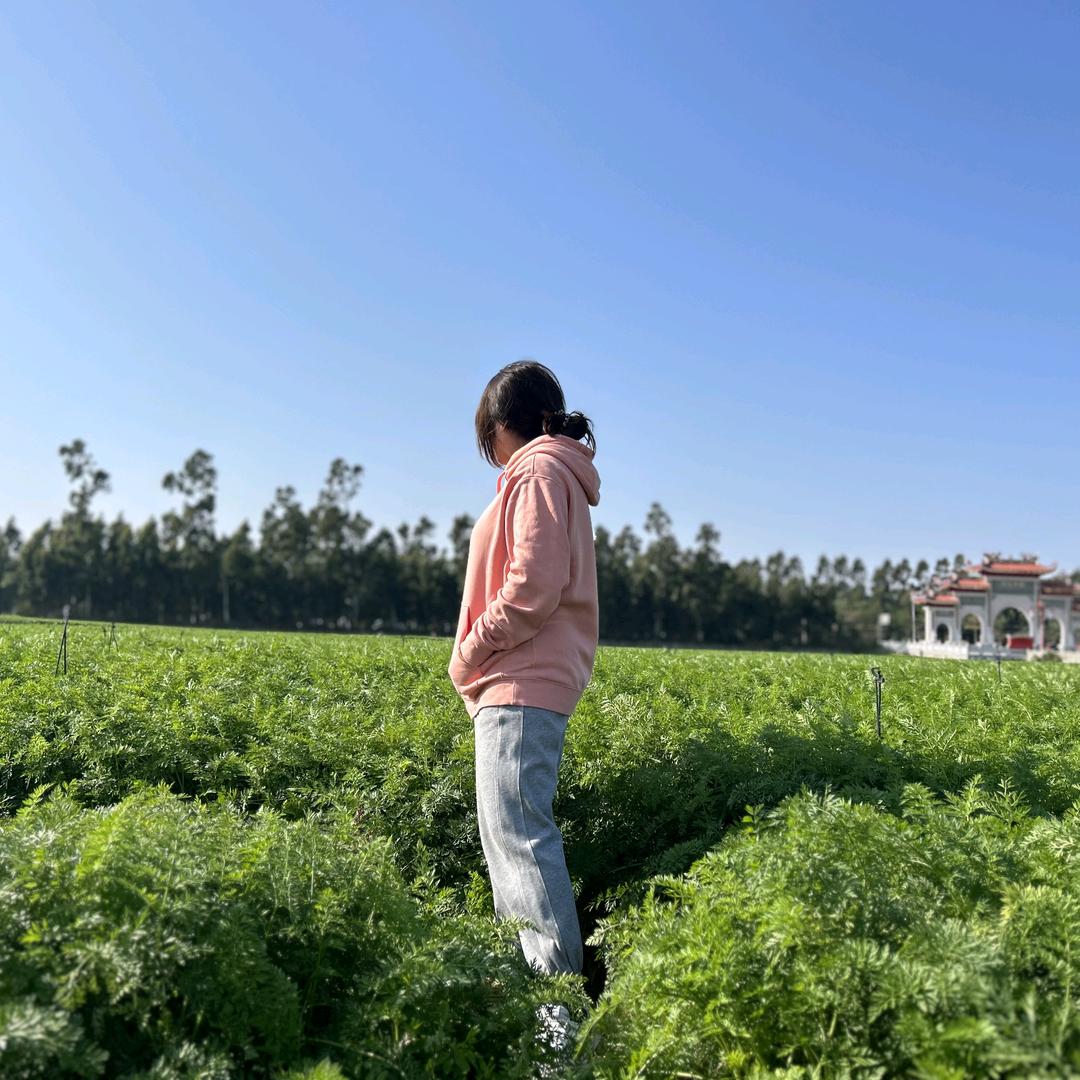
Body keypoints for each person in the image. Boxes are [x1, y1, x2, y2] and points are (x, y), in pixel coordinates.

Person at [447, 359, 600, 1050]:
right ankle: (551, 1017)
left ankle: (557, 1031)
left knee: (523, 844)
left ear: (510, 426)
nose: (493, 460)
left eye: (491, 444)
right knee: (515, 841)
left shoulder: (537, 469)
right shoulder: (550, 470)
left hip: (519, 680)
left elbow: (532, 587)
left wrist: (471, 650)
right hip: (521, 683)